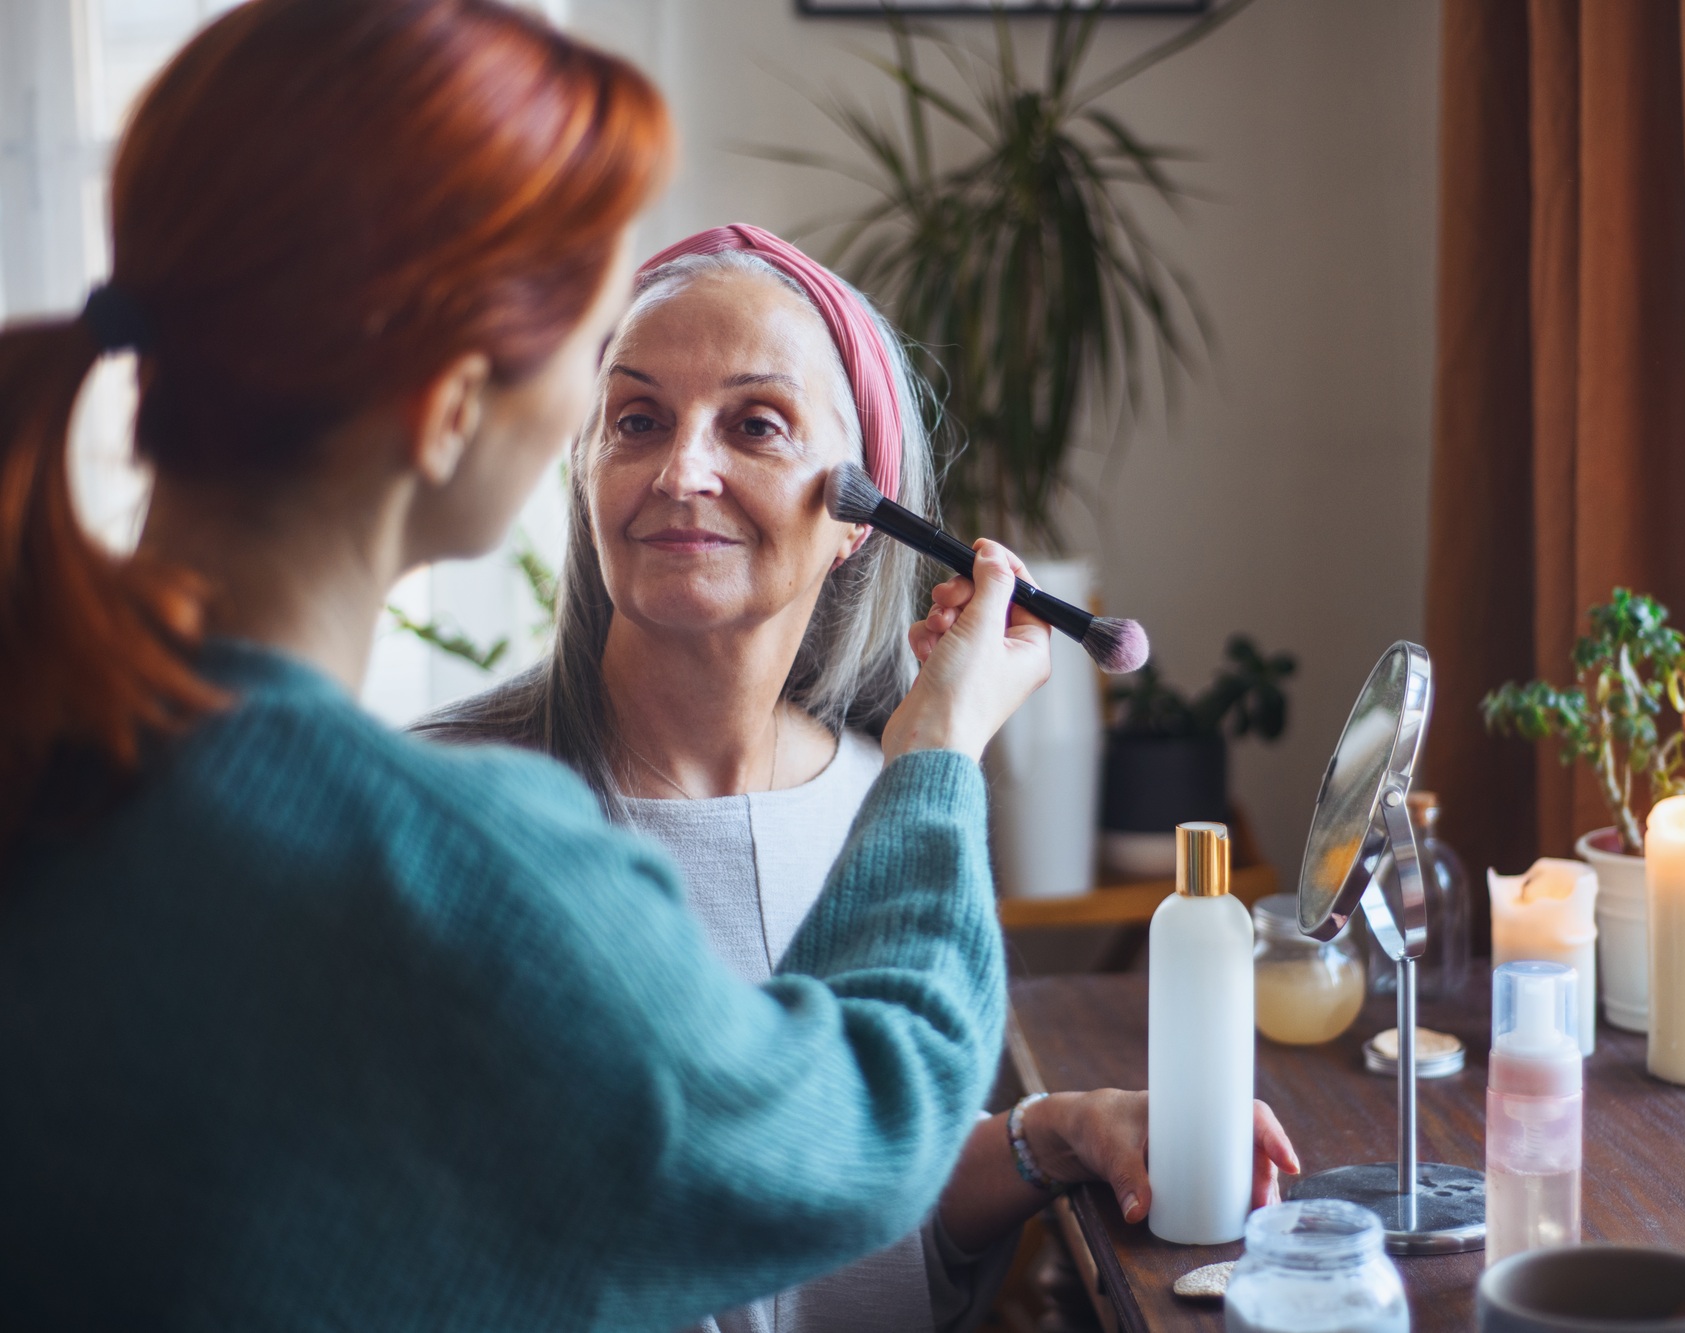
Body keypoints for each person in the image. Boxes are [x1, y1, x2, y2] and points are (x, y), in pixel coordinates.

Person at [0, 3, 1055, 1328]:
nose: (677, 466)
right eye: (605, 379)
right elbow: (873, 1123)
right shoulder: (461, 880)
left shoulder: (56, 755)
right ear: (448, 408)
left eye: (754, 424)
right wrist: (942, 751)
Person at [417, 225, 1301, 1332]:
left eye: (756, 424)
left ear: (855, 524)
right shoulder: (447, 810)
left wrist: (1053, 1133)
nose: (682, 470)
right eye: (635, 420)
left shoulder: (887, 800)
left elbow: (857, 1178)